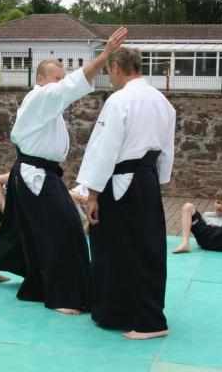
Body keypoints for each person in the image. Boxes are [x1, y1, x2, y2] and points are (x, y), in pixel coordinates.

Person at [0, 27, 128, 315]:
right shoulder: (39, 98)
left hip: (35, 172)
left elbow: (66, 89)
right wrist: (105, 55)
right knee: (66, 229)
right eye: (55, 78)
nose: (60, 83)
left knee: (17, 227)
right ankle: (63, 295)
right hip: (34, 175)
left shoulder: (47, 105)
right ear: (40, 79)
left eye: (62, 78)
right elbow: (70, 87)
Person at [77, 47, 176, 339]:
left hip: (121, 182)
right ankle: (137, 312)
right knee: (147, 248)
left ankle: (144, 321)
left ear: (117, 67)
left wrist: (92, 193)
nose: (110, 77)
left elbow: (105, 148)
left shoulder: (120, 100)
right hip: (146, 179)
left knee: (118, 248)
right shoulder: (162, 101)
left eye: (109, 71)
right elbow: (167, 150)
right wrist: (157, 180)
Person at [173, 189, 222, 253]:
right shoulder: (207, 215)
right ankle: (185, 244)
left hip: (221, 240)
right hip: (206, 238)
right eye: (218, 202)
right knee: (188, 206)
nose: (219, 206)